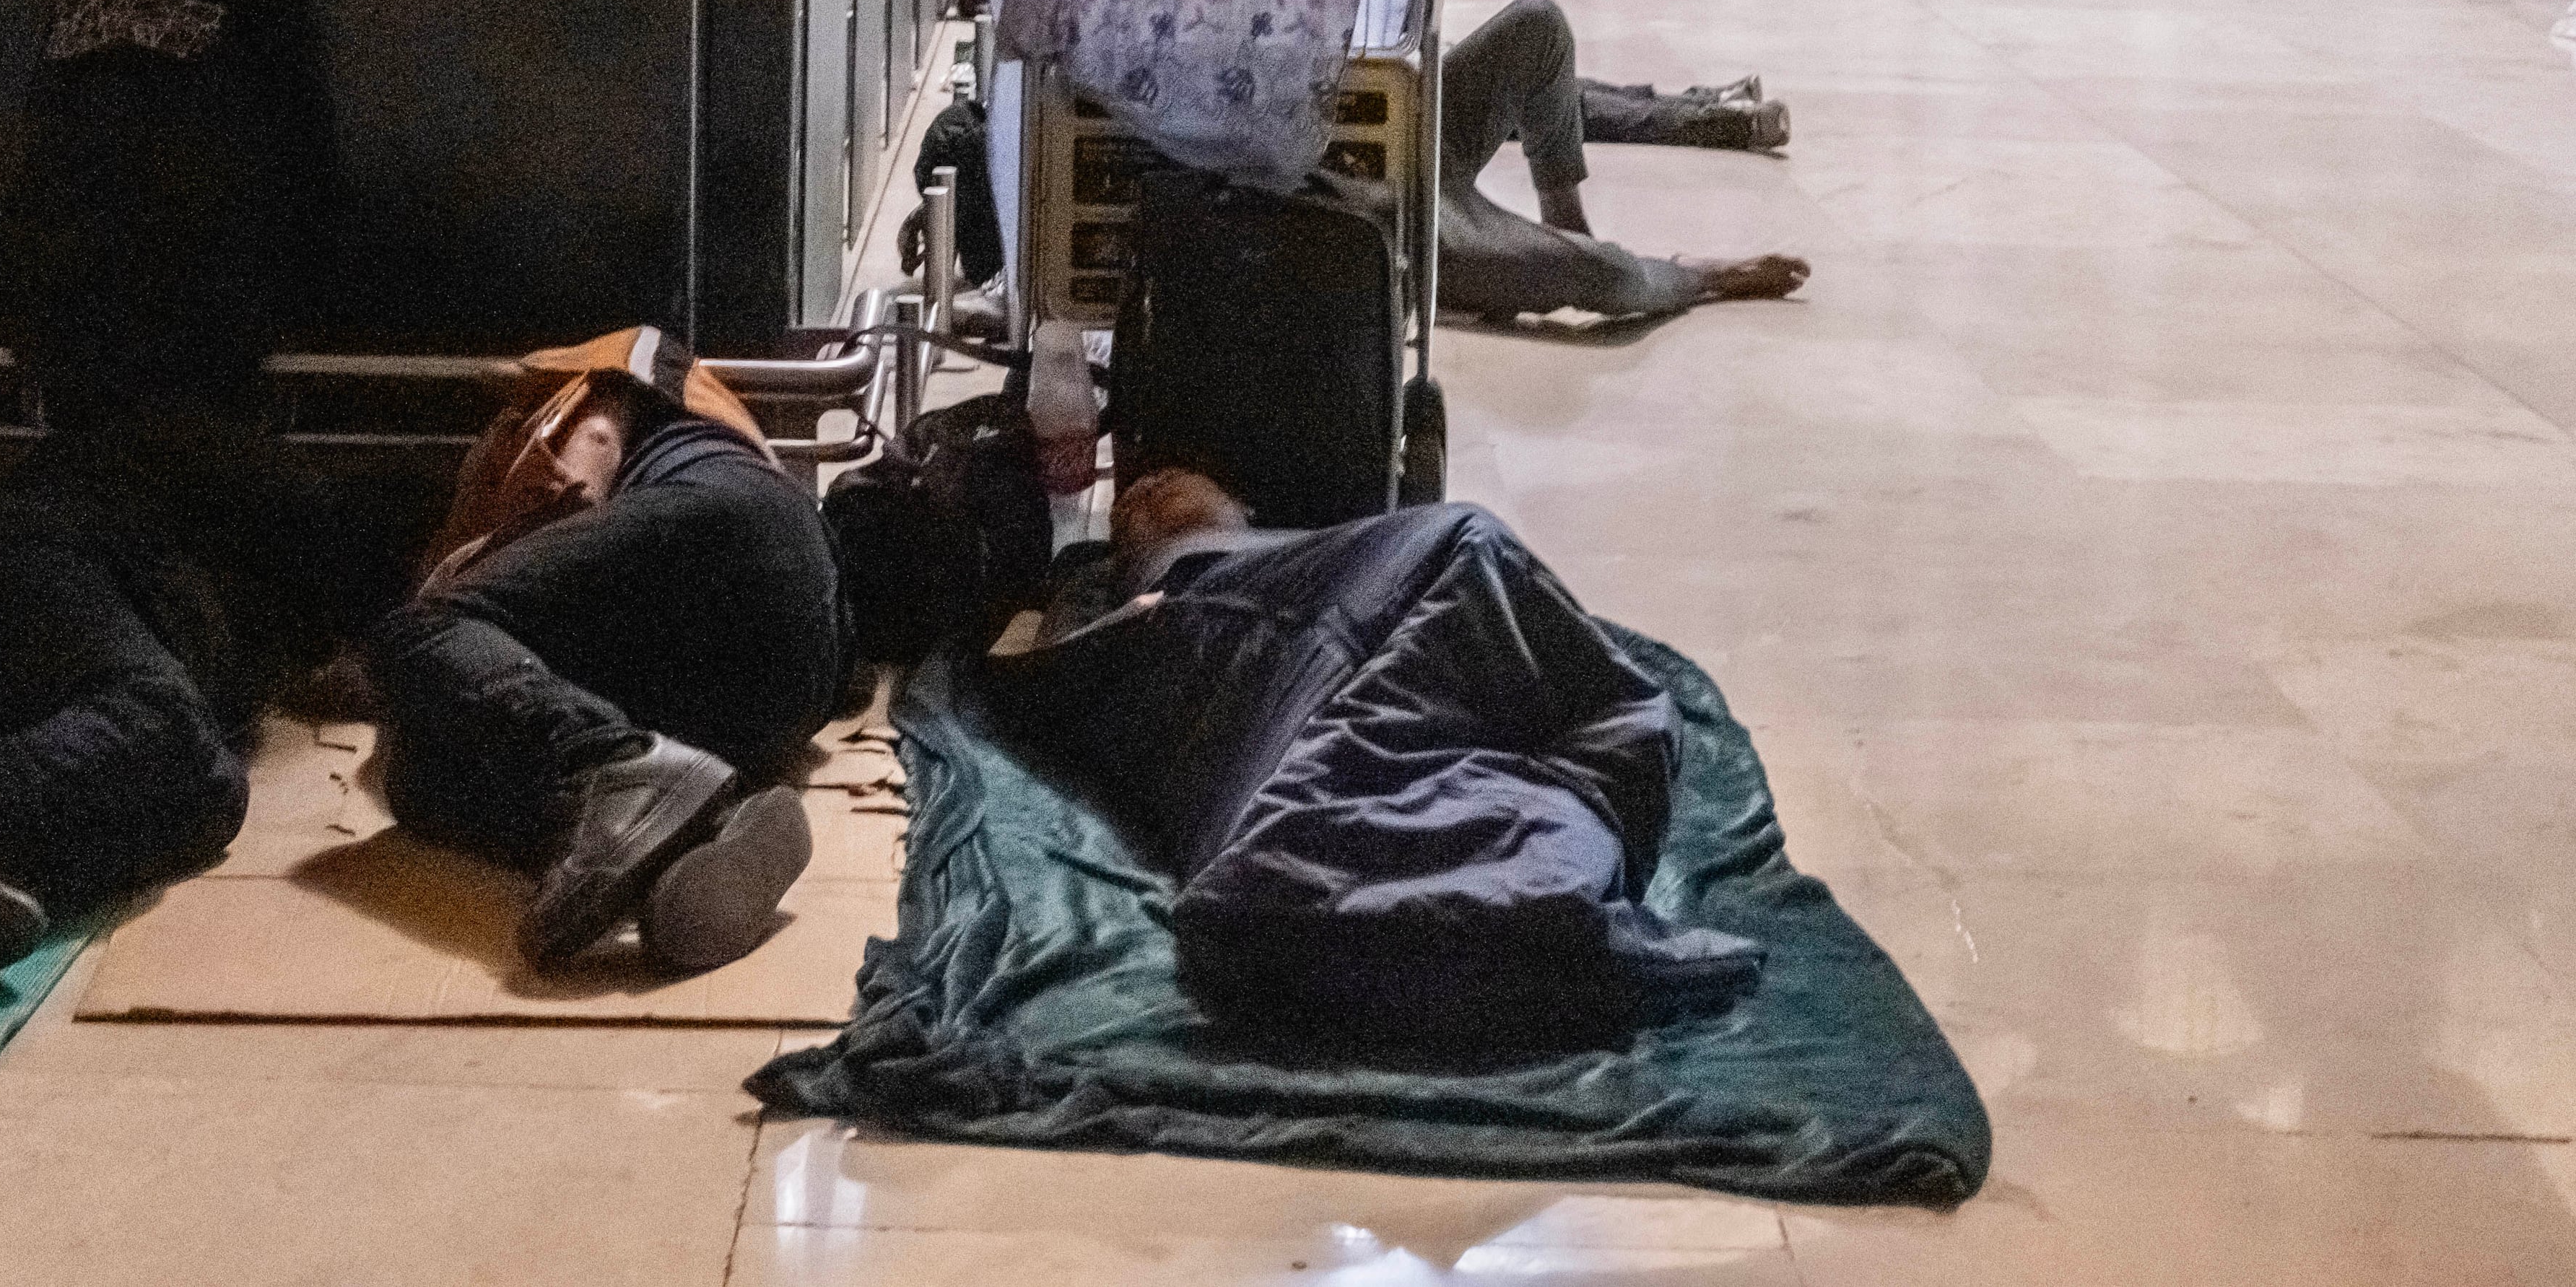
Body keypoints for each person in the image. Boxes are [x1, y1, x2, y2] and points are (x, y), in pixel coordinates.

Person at [978, 470, 1763, 1052]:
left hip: (1391, 606)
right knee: (1456, 597)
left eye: (1162, 485)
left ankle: (1470, 898)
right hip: (1294, 668)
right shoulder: (1166, 602)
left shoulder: (1293, 558)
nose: (1143, 491)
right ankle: (1495, 899)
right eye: (1135, 505)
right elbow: (1053, 682)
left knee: (1467, 580)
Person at [0, 396, 389, 1003]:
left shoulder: (112, 460)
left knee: (215, 787)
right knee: (164, 724)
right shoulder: (205, 450)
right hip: (21, 568)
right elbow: (387, 641)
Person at [360, 331, 845, 976]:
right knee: (419, 785)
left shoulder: (612, 370)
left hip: (725, 527)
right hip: (785, 685)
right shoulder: (706, 427)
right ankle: (694, 840)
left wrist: (465, 572)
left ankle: (613, 762)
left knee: (413, 633)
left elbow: (579, 479)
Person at [1436, 0, 1808, 323]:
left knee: (1540, 22)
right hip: (1402, 213)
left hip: (1403, 128)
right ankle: (1693, 275)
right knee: (1604, 274)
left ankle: (1566, 220)